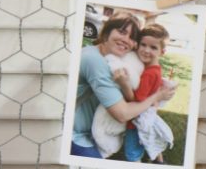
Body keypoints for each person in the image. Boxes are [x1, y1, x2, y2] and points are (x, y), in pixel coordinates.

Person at [70, 13, 173, 160]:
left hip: (91, 130)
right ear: (107, 32)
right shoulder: (95, 61)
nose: (125, 40)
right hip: (74, 134)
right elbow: (122, 114)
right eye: (122, 32)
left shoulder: (113, 57)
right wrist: (157, 96)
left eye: (131, 37)